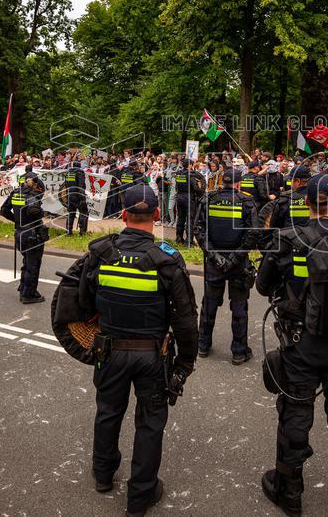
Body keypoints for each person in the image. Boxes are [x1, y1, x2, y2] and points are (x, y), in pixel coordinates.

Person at [255, 174, 328, 516]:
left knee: (295, 412)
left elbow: (263, 287)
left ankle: (289, 491)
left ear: (305, 201)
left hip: (299, 345)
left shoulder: (288, 239)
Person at [76, 184, 198, 515]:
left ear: (124, 214)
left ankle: (103, 474)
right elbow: (186, 320)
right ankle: (140, 496)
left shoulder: (100, 253)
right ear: (158, 214)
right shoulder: (167, 259)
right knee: (150, 422)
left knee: (108, 411)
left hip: (109, 352)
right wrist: (185, 363)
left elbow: (82, 304)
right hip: (151, 356)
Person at [193, 168, 261, 364]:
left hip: (215, 262)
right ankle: (239, 351)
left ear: (223, 182)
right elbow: (254, 233)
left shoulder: (209, 199)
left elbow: (198, 229)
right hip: (238, 263)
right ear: (239, 183)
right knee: (239, 307)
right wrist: (235, 257)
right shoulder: (246, 202)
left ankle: (203, 345)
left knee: (209, 304)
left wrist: (214, 256)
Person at [1, 171, 48, 304]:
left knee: (27, 261)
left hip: (19, 232)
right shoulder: (32, 195)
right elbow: (33, 211)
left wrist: (17, 221)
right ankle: (29, 295)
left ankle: (24, 287)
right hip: (32, 234)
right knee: (33, 265)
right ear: (33, 182)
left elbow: (3, 210)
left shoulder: (15, 193)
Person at [173, 159, 203, 245]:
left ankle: (179, 238)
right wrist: (201, 191)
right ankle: (189, 240)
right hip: (189, 199)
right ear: (189, 165)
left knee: (180, 219)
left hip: (179, 198)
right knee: (190, 220)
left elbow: (177, 186)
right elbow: (195, 188)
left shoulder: (178, 174)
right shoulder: (191, 175)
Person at [64, 161, 89, 236]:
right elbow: (81, 186)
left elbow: (65, 184)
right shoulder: (80, 172)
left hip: (69, 195)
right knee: (84, 213)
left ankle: (68, 232)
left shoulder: (68, 172)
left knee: (71, 214)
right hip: (78, 195)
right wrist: (82, 198)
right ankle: (82, 232)